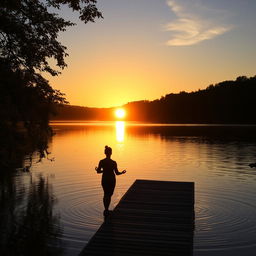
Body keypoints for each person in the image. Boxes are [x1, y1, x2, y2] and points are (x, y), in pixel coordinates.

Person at [95, 146, 126, 216]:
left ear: (105, 153)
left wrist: (99, 170)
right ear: (111, 153)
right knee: (109, 195)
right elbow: (117, 173)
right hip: (111, 180)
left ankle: (106, 209)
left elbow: (98, 171)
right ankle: (107, 210)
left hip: (105, 179)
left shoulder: (101, 161)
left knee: (105, 194)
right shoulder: (113, 162)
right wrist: (122, 172)